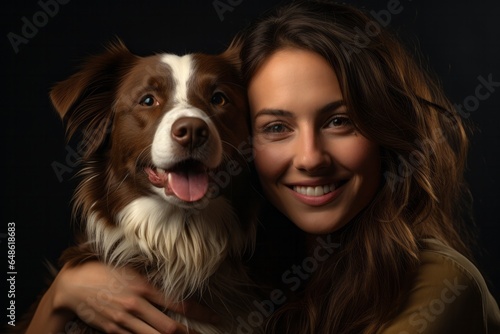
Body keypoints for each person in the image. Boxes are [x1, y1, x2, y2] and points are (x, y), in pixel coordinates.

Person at [25, 1, 500, 333]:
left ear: (384, 128)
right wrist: (59, 298)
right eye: (276, 127)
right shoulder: (271, 261)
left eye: (339, 121)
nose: (310, 158)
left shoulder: (442, 285)